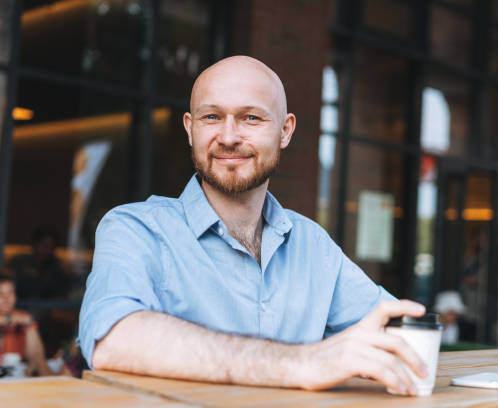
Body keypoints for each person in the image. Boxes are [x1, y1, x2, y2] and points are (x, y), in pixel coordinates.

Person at [78, 56, 428, 396]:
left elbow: (404, 340)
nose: (228, 137)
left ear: (285, 131)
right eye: (211, 116)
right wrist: (302, 364)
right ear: (190, 128)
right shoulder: (135, 230)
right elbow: (111, 339)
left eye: (251, 118)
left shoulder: (312, 244)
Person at [0, 274, 53, 376]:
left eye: (10, 293)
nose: (6, 298)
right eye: (0, 293)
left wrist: (29, 323)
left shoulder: (22, 318)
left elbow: (37, 359)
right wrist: (8, 319)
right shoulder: (18, 318)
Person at [7, 227, 69, 299]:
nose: (47, 249)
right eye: (44, 245)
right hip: (20, 305)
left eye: (51, 246)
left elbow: (62, 292)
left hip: (48, 307)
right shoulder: (19, 262)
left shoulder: (57, 266)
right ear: (35, 244)